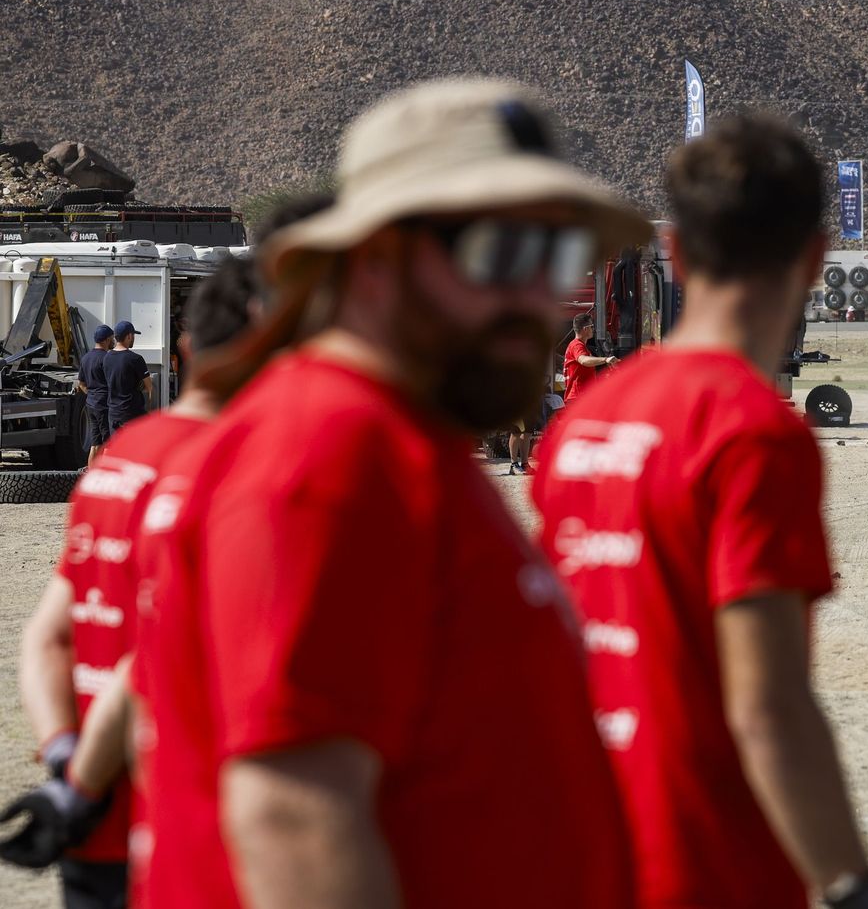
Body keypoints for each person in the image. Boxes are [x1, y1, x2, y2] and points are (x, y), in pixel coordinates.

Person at [132, 79, 648, 909]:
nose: (536, 299)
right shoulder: (325, 456)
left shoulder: (401, 443)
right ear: (374, 258)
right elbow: (296, 818)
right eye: (500, 253)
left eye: (555, 256)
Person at [533, 115, 868, 909]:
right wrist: (852, 886)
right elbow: (768, 707)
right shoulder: (754, 434)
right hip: (708, 869)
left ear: (680, 255)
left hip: (584, 853)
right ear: (816, 261)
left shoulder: (582, 426)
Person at [5, 259, 264, 908]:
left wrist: (67, 766)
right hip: (172, 819)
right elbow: (151, 657)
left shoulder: (112, 468)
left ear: (186, 346)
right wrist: (87, 783)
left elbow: (45, 636)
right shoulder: (233, 472)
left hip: (90, 828)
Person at [100, 322, 151, 433]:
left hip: (113, 413)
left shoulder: (106, 358)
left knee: (116, 448)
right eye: (133, 335)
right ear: (129, 336)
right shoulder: (136, 359)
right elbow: (149, 387)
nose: (134, 338)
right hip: (132, 413)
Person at [74, 325, 114, 465]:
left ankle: (91, 475)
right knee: (108, 442)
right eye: (112, 338)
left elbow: (81, 383)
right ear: (107, 339)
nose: (113, 341)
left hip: (91, 404)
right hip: (105, 405)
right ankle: (105, 475)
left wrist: (91, 395)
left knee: (95, 443)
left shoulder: (85, 358)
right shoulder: (108, 358)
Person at [563, 313, 618, 406]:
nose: (593, 329)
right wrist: (606, 360)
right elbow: (583, 360)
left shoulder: (581, 346)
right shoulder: (577, 345)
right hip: (578, 397)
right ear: (585, 329)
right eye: (592, 326)